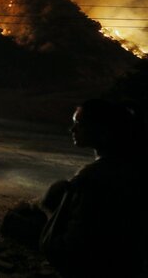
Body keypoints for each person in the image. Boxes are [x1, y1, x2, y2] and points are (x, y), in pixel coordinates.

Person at [39, 99, 148, 278]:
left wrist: (53, 215)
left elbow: (72, 246)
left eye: (78, 124)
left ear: (103, 131)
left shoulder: (93, 179)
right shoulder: (134, 169)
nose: (72, 129)